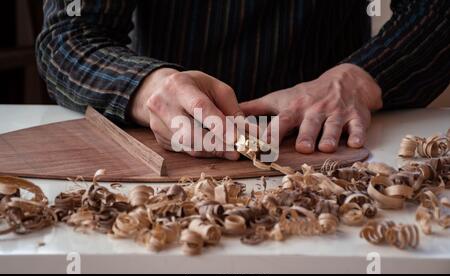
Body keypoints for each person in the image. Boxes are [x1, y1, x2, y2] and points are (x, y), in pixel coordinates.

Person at [36, 0, 450, 161]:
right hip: (165, 147)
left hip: (327, 141)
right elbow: (68, 35)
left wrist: (359, 80)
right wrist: (148, 88)